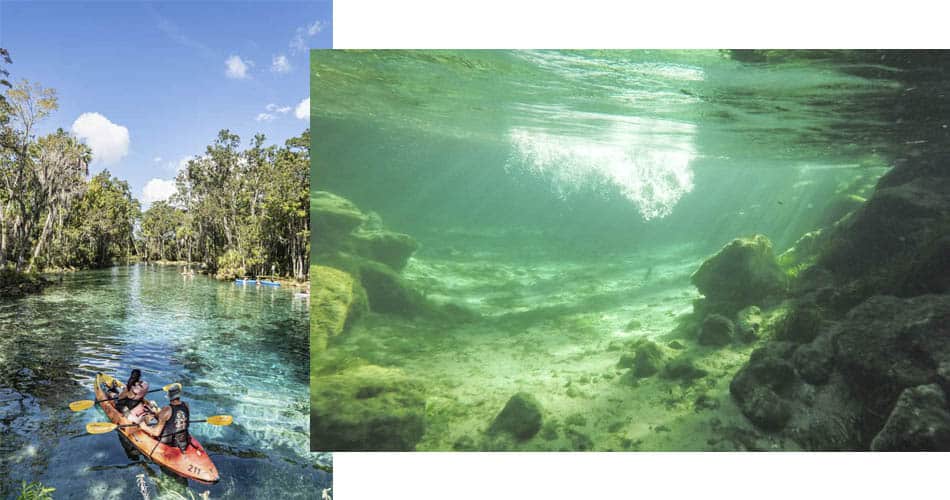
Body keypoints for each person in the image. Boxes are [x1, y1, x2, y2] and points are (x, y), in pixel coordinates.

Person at [138, 384, 191, 452]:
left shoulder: (167, 410)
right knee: (155, 417)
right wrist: (156, 413)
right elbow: (175, 418)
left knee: (146, 418)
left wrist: (143, 427)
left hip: (168, 442)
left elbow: (156, 433)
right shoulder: (186, 405)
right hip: (183, 440)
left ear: (169, 396)